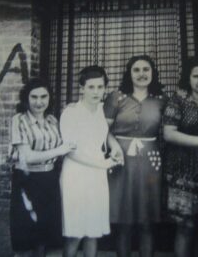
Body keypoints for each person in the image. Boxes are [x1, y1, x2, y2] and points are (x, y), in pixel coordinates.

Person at [104, 55, 166, 257]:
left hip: (150, 162)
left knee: (147, 221)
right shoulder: (116, 97)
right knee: (124, 222)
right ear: (129, 74)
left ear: (153, 72)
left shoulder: (161, 100)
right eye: (136, 70)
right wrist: (114, 147)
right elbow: (103, 129)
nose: (141, 74)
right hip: (121, 161)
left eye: (146, 69)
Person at [59, 65, 124, 257]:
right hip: (76, 175)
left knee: (93, 232)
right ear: (81, 88)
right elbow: (71, 152)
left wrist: (115, 146)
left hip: (97, 175)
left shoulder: (101, 111)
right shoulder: (70, 113)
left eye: (100, 87)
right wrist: (102, 164)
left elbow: (104, 132)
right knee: (75, 233)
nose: (96, 92)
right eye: (91, 87)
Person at [9, 78, 76, 257]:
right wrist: (59, 150)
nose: (39, 102)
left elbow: (69, 145)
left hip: (49, 181)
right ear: (26, 98)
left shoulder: (52, 120)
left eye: (43, 97)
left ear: (49, 98)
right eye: (34, 97)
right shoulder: (19, 120)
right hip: (27, 180)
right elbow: (27, 156)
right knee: (23, 237)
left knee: (43, 237)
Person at [163, 58, 198, 257]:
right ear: (189, 78)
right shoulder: (178, 101)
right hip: (182, 170)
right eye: (196, 76)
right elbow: (169, 133)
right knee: (185, 225)